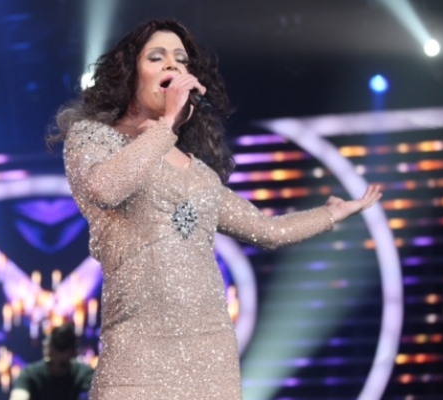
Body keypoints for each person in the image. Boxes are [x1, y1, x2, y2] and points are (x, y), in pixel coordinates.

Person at [51, 19, 383, 400]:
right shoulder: (93, 136)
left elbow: (267, 231)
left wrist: (330, 214)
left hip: (212, 356)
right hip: (136, 355)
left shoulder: (201, 175)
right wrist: (166, 125)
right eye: (156, 57)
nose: (172, 65)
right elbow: (104, 188)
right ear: (129, 73)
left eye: (181, 60)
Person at [9, 323, 94, 400]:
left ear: (73, 353)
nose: (56, 369)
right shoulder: (30, 374)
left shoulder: (85, 375)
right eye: (51, 362)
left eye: (63, 364)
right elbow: (19, 396)